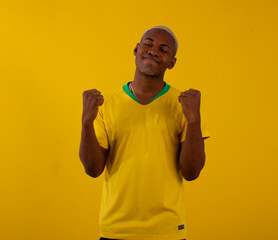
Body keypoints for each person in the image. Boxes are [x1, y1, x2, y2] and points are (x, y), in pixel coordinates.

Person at [79, 25, 210, 240]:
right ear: (136, 50)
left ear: (172, 62)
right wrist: (86, 123)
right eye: (148, 44)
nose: (153, 50)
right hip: (115, 229)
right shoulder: (105, 103)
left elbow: (191, 172)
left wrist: (194, 121)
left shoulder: (184, 105)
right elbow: (93, 169)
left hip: (168, 230)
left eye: (163, 49)